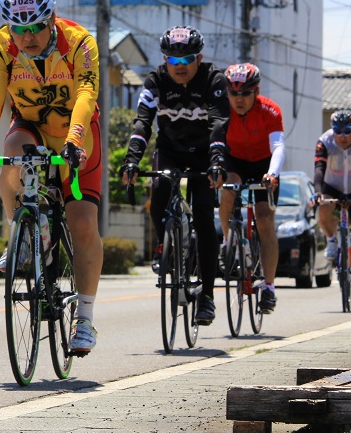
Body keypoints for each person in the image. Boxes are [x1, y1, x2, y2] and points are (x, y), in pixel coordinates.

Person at [0, 0, 103, 353]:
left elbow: (87, 93)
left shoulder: (79, 42)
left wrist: (74, 141)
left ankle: (85, 319)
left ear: (52, 18)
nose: (27, 36)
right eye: (17, 27)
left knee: (82, 223)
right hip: (31, 127)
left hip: (76, 131)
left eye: (36, 27)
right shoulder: (0, 46)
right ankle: (23, 233)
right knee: (9, 152)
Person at [120, 26, 230, 326]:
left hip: (205, 152)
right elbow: (143, 122)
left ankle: (206, 296)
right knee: (158, 201)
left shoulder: (213, 79)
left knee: (205, 215)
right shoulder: (155, 80)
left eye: (187, 60)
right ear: (165, 59)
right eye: (173, 60)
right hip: (171, 150)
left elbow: (219, 122)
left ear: (200, 58)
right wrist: (132, 160)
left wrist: (217, 161)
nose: (179, 67)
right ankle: (165, 247)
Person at [218, 63, 285, 313]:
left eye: (245, 93)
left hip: (263, 165)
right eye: (233, 93)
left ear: (256, 92)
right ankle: (228, 241)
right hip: (235, 160)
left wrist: (272, 173)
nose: (239, 99)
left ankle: (268, 287)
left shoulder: (270, 110)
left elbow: (278, 146)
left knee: (265, 219)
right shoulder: (222, 109)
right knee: (227, 190)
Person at [311, 110, 351, 299]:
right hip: (333, 186)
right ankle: (331, 239)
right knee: (323, 207)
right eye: (338, 132)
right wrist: (317, 192)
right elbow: (319, 169)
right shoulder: (324, 141)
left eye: (348, 132)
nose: (342, 136)